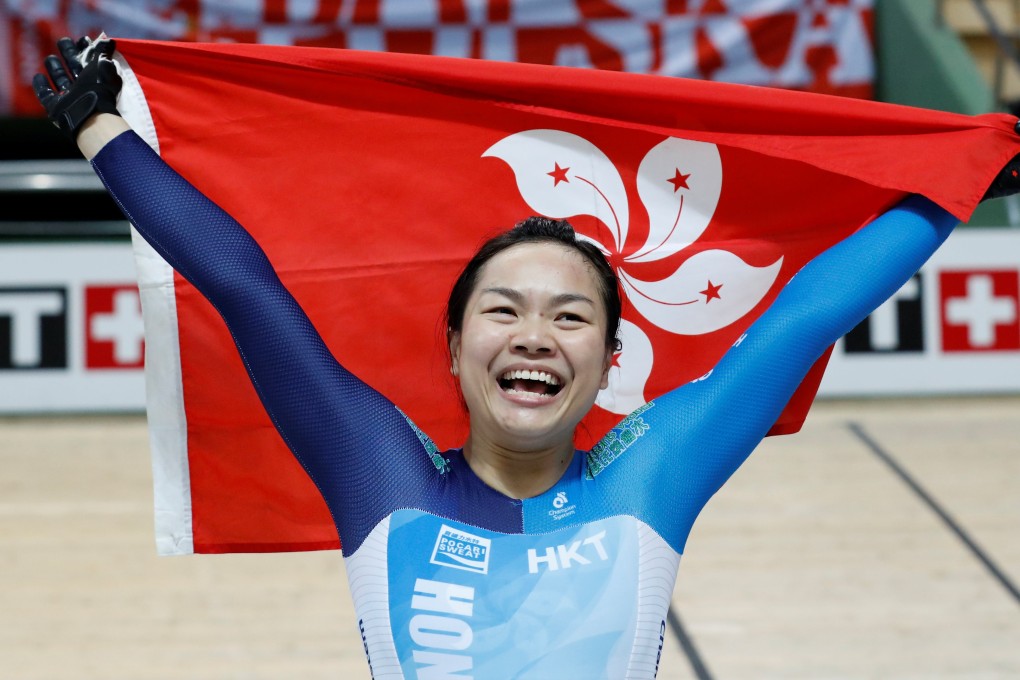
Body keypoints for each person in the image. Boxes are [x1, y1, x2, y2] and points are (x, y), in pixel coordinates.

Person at [34, 37, 1019, 679]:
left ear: (612, 359)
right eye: (503, 309)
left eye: (571, 316)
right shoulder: (382, 474)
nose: (536, 334)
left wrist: (959, 178)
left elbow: (800, 321)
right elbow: (249, 292)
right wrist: (101, 130)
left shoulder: (648, 476)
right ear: (455, 347)